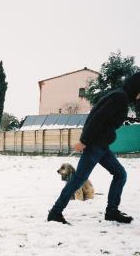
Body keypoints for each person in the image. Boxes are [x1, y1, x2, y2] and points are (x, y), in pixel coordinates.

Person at [48, 72, 140, 224]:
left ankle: (112, 211)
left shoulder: (121, 97)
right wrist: (84, 141)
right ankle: (55, 212)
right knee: (79, 179)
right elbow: (97, 119)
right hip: (95, 144)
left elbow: (105, 118)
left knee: (120, 174)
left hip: (101, 145)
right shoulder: (120, 98)